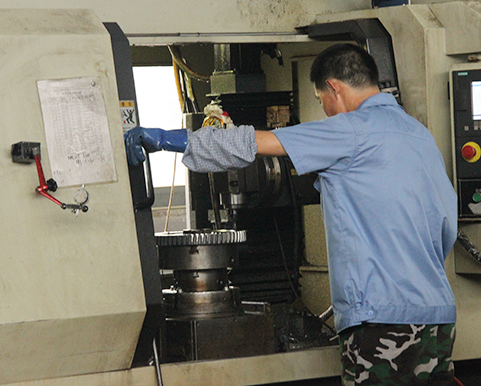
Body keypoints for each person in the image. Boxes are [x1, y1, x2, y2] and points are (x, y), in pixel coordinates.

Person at [125, 43, 457, 385]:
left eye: (320, 100)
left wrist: (172, 140)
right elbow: (446, 223)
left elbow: (254, 144)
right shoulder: (419, 135)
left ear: (334, 88)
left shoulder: (350, 130)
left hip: (382, 320)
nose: (325, 110)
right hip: (438, 315)